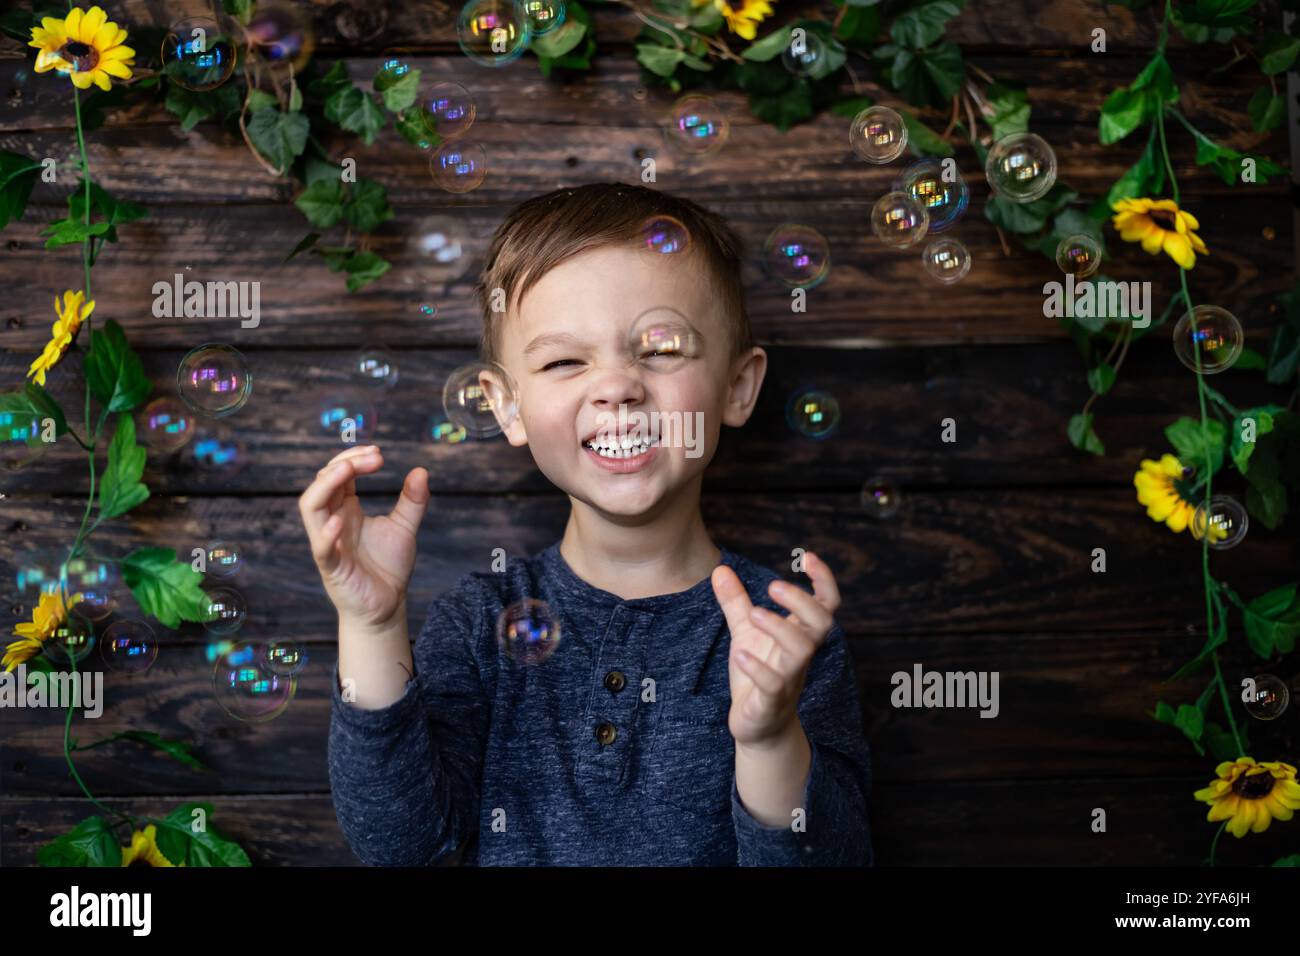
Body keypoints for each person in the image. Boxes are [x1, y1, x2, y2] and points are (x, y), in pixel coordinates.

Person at [298, 182, 873, 865]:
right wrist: (370, 627)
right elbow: (403, 846)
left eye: (660, 349)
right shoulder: (482, 621)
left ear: (737, 386)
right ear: (505, 406)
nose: (617, 385)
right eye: (565, 361)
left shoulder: (786, 633)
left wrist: (771, 739)